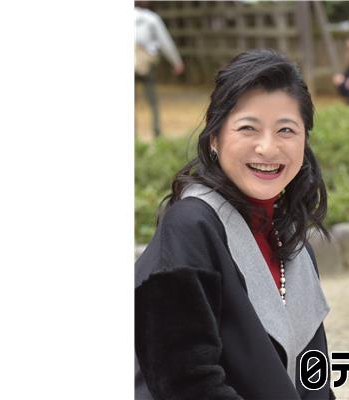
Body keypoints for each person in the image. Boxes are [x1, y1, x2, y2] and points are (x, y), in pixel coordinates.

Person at [135, 49, 336, 400]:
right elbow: (186, 384)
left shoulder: (293, 243)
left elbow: (314, 380)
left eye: (286, 130)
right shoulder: (190, 227)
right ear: (214, 138)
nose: (267, 148)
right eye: (248, 128)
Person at [135, 2, 185, 138]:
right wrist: (177, 62)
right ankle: (156, 132)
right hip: (146, 62)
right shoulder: (152, 18)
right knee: (152, 99)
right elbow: (165, 42)